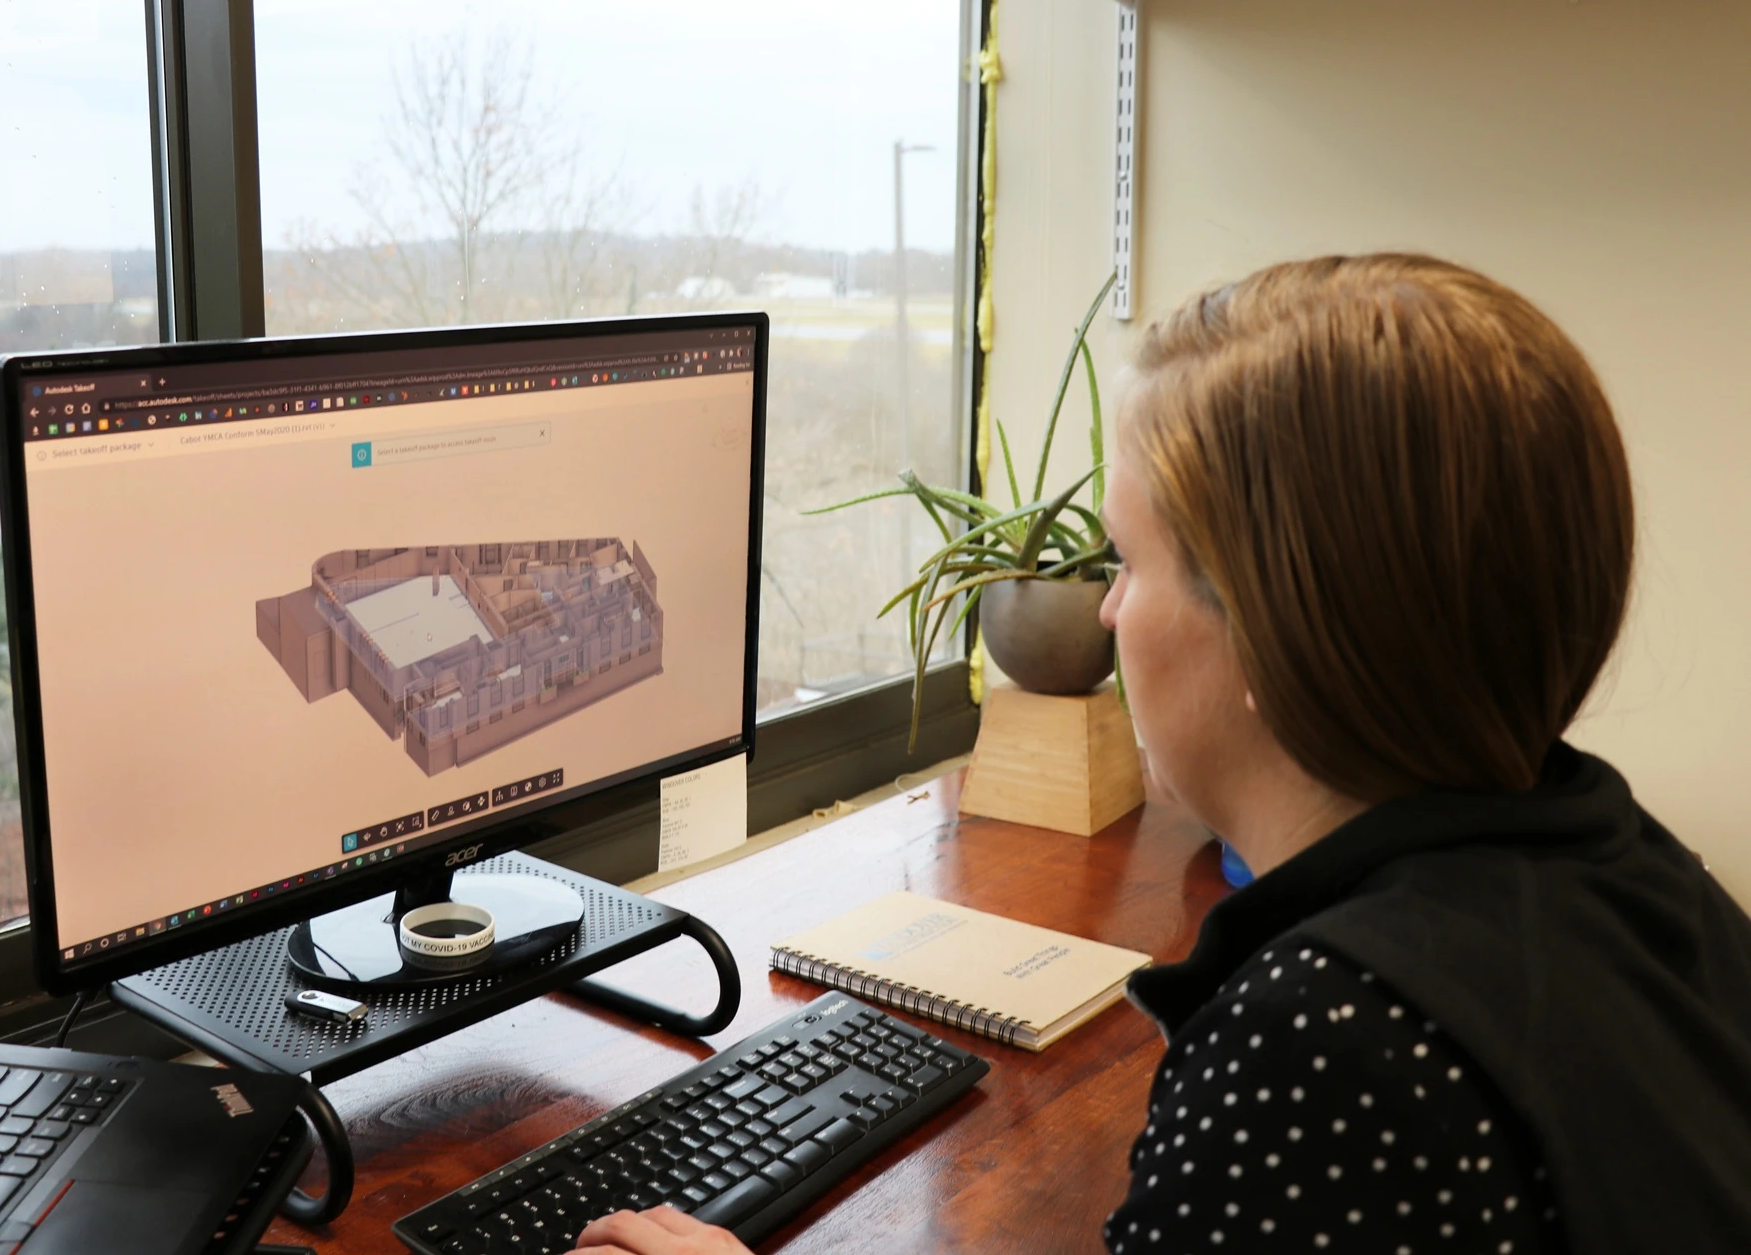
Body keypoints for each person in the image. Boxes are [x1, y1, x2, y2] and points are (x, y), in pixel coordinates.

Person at [566, 254, 1751, 1255]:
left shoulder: (1328, 1052)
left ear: (1272, 629)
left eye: (1128, 563)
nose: (1103, 614)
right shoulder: (1643, 877)